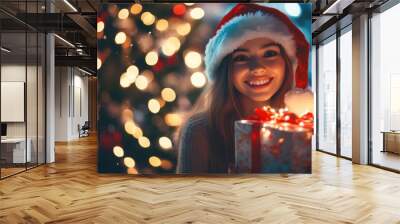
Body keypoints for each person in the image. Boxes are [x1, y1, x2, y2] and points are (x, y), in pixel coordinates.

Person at [176, 3, 311, 173]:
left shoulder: (302, 127)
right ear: (226, 70)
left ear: (287, 64)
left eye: (269, 53)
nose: (257, 68)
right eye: (241, 57)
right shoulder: (200, 131)